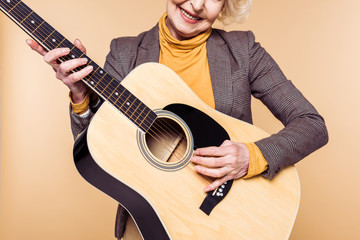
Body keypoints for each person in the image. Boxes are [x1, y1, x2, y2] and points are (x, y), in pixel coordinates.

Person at [26, 0, 328, 239]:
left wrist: (251, 156)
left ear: (225, 4)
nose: (196, 4)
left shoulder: (243, 51)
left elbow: (312, 124)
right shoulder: (124, 53)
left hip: (236, 220)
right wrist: (81, 95)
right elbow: (96, 144)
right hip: (149, 224)